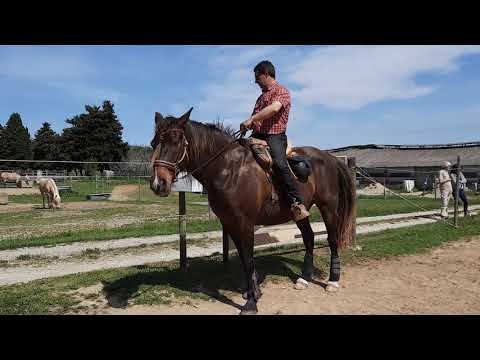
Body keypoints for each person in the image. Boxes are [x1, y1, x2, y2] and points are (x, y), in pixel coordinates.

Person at [240, 60, 309, 222]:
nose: (256, 81)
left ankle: (297, 202)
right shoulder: (260, 98)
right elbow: (256, 119)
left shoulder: (282, 91)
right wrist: (248, 125)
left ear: (266, 74)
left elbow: (274, 109)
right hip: (257, 135)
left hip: (274, 136)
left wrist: (252, 118)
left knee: (279, 162)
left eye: (258, 77)